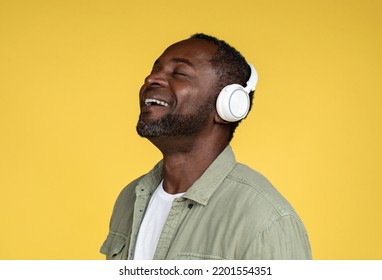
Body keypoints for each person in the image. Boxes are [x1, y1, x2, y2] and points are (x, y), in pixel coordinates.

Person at [100, 33, 311, 260]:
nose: (151, 79)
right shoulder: (130, 198)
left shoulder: (265, 220)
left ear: (228, 105)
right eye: (155, 70)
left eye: (179, 73)